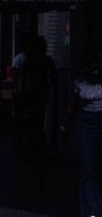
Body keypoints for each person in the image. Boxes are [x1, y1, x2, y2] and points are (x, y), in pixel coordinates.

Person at [61, 50, 102, 217]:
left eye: (98, 69)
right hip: (87, 124)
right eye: (92, 69)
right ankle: (91, 211)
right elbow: (73, 105)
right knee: (88, 168)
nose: (96, 73)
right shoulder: (80, 82)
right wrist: (64, 124)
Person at [21, 35, 57, 157]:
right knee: (40, 118)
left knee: (32, 119)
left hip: (31, 91)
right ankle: (41, 145)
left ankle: (33, 144)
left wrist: (22, 91)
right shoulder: (47, 60)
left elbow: (24, 78)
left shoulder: (29, 60)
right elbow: (53, 77)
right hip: (42, 91)